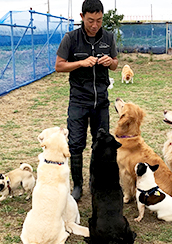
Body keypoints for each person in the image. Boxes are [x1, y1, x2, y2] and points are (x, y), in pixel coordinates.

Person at [55, 0, 118, 200]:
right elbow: (59, 66)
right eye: (90, 20)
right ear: (82, 17)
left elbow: (116, 65)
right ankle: (77, 185)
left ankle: (95, 182)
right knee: (75, 145)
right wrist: (81, 63)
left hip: (101, 102)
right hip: (79, 101)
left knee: (101, 144)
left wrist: (111, 62)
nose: (94, 25)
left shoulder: (108, 37)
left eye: (99, 20)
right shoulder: (71, 38)